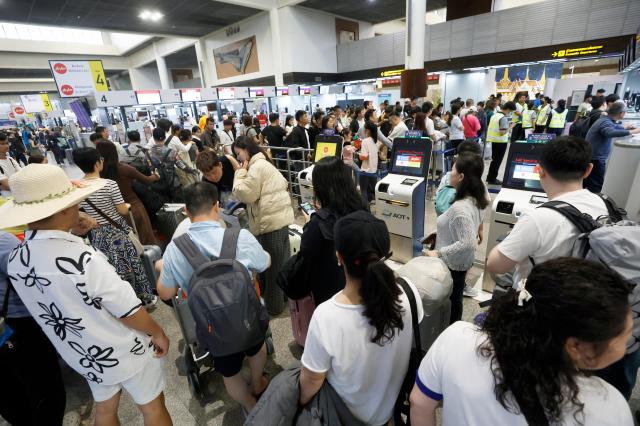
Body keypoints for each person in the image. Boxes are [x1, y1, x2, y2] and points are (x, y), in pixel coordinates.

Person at [0, 165, 172, 426]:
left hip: (81, 352)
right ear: (66, 208)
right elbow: (127, 310)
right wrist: (157, 332)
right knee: (152, 406)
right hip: (124, 348)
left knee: (105, 408)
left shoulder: (17, 258)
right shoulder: (82, 259)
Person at [410, 257, 633, 426]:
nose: (627, 346)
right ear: (575, 346)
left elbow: (420, 403)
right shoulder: (608, 408)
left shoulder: (457, 338)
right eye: (623, 336)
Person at [300, 211, 423, 425]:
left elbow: (311, 381)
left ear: (339, 257)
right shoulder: (409, 295)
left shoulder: (327, 317)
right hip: (389, 415)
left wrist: (299, 406)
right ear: (385, 254)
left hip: (343, 419)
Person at [157, 182, 270, 412]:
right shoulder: (240, 236)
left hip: (213, 328)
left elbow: (166, 293)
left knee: (229, 373)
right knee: (257, 349)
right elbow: (265, 262)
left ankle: (248, 404)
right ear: (217, 206)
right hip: (248, 317)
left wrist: (162, 267)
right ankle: (258, 383)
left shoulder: (176, 249)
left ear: (186, 212)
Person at [486, 136, 609, 286]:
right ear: (588, 170)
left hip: (540, 301)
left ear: (540, 171)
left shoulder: (536, 219)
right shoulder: (605, 203)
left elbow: (495, 265)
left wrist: (512, 236)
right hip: (583, 295)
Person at [73, 147, 156, 306]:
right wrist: (124, 205)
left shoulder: (77, 187)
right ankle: (143, 297)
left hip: (96, 233)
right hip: (115, 231)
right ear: (97, 163)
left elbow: (80, 211)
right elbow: (122, 210)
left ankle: (122, 301)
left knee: (110, 267)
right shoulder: (109, 184)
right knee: (130, 263)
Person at [0, 230, 67, 426]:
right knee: (47, 393)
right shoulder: (3, 241)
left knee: (10, 396)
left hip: (8, 327)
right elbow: (31, 278)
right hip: (19, 324)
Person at [292, 157, 368, 305]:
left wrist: (309, 223)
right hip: (359, 280)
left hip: (329, 287)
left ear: (320, 187)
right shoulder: (362, 206)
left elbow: (306, 250)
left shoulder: (318, 222)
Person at [232, 136, 294, 315]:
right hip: (278, 221)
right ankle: (281, 300)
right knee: (280, 264)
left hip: (269, 223)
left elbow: (244, 194)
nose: (239, 159)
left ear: (247, 149)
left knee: (270, 267)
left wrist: (239, 173)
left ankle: (274, 308)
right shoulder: (264, 162)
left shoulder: (256, 167)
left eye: (239, 154)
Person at [425, 153, 488, 323]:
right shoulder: (477, 197)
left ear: (461, 176)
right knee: (456, 299)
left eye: (452, 169)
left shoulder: (461, 208)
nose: (449, 173)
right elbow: (464, 231)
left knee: (451, 301)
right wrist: (438, 236)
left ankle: (448, 329)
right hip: (462, 263)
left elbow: (467, 242)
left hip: (452, 265)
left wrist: (439, 252)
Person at [95, 141, 159, 246]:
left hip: (113, 212)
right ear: (114, 153)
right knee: (146, 239)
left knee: (127, 243)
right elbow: (147, 180)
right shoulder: (124, 168)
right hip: (133, 207)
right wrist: (155, 176)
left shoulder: (98, 173)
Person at [584, 101, 640, 193]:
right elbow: (610, 132)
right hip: (596, 159)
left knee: (590, 182)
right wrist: (633, 131)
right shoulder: (605, 122)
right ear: (621, 113)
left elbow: (613, 127)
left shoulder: (605, 119)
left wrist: (624, 128)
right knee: (596, 185)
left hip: (593, 156)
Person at [486, 101, 517, 185]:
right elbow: (502, 132)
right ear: (508, 109)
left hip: (493, 140)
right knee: (497, 161)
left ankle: (490, 177)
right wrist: (510, 126)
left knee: (494, 161)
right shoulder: (503, 118)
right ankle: (492, 179)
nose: (510, 113)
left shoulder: (494, 115)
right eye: (510, 111)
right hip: (500, 142)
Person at [358, 122, 379, 203]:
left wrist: (358, 155)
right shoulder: (376, 140)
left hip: (365, 171)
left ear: (367, 130)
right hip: (374, 170)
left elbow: (364, 156)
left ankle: (365, 210)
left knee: (363, 192)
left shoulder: (365, 141)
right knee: (372, 192)